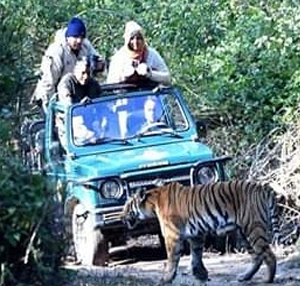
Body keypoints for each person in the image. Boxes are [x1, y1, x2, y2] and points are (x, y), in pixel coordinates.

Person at [31, 16, 105, 113]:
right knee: (59, 125)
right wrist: (52, 109)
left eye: (81, 37)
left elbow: (97, 60)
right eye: (75, 37)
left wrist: (99, 65)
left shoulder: (85, 45)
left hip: (74, 92)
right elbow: (48, 82)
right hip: (52, 94)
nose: (79, 41)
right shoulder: (57, 51)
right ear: (68, 36)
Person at [106, 20, 171, 86]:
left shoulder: (151, 54)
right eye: (132, 39)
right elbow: (111, 84)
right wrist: (125, 76)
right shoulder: (119, 57)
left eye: (138, 38)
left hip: (149, 93)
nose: (135, 42)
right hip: (125, 94)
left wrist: (150, 74)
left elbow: (167, 79)